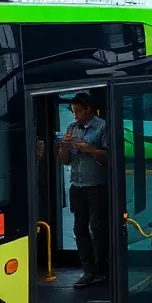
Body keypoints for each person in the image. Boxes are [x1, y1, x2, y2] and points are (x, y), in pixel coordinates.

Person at [57, 93, 108, 289]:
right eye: (72, 112)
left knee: (97, 227)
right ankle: (89, 269)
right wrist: (63, 147)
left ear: (88, 109)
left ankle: (101, 268)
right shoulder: (71, 129)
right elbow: (64, 160)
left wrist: (87, 148)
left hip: (96, 185)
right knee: (79, 228)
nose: (75, 116)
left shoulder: (101, 126)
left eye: (78, 111)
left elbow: (107, 156)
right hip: (76, 184)